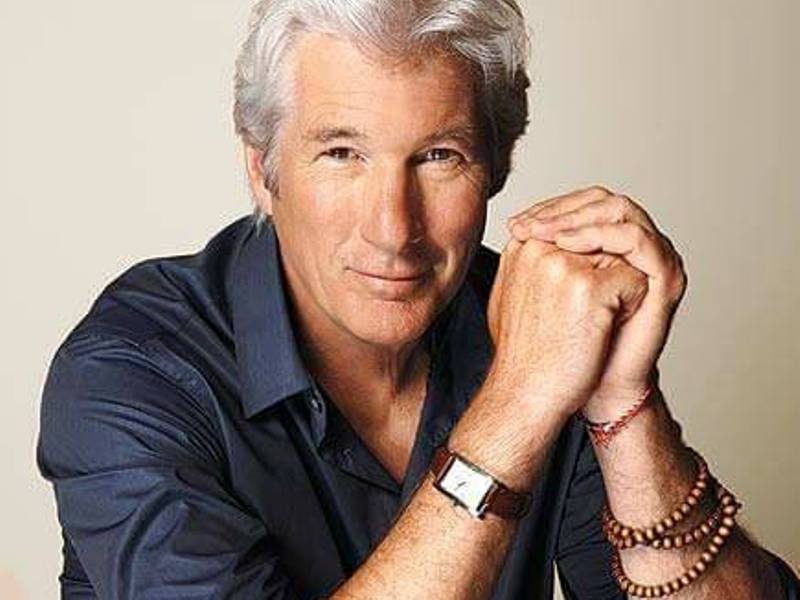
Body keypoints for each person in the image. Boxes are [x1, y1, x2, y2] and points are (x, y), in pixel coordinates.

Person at [37, 1, 798, 598]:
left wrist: (624, 403)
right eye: (342, 153)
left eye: (439, 156)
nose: (392, 229)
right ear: (262, 169)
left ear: (496, 167)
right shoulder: (130, 371)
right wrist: (517, 405)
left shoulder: (540, 328)